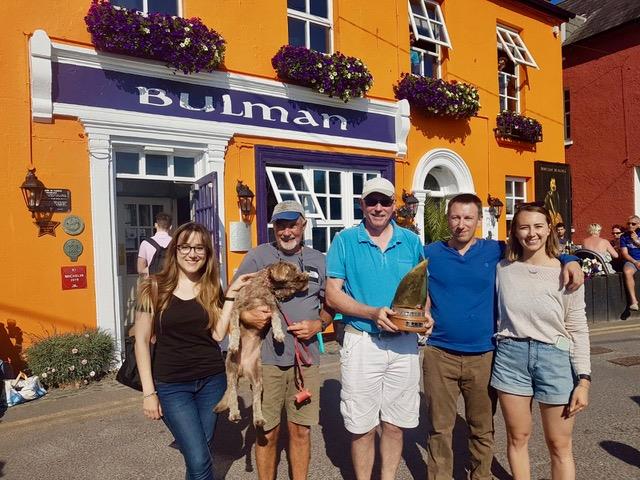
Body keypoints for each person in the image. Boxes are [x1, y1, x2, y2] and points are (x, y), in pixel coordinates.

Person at [422, 194, 583, 480]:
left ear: (479, 221)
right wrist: (422, 309)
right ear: (448, 219)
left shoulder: (495, 252)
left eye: (468, 217)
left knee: (483, 429)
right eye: (456, 217)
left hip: (485, 353)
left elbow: (537, 249)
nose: (461, 224)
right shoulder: (430, 253)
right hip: (440, 352)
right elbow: (411, 282)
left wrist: (570, 259)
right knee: (440, 428)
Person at [325, 177, 431, 480]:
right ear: (362, 205)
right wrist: (371, 313)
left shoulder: (411, 240)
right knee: (362, 426)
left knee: (396, 424)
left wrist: (426, 314)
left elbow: (421, 286)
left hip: (403, 344)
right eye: (372, 201)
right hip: (362, 342)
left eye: (385, 201)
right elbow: (333, 293)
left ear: (394, 205)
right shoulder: (345, 240)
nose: (378, 207)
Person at [134, 221, 254, 480]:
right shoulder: (153, 287)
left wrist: (231, 293)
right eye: (185, 246)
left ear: (207, 253)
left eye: (199, 248)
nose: (192, 253)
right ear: (174, 250)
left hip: (211, 381)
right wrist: (148, 393)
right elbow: (141, 342)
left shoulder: (212, 288)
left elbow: (218, 334)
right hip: (172, 385)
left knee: (198, 455)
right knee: (200, 458)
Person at [234, 200, 332, 480]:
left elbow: (331, 303)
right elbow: (234, 297)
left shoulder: (319, 260)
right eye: (281, 226)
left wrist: (319, 324)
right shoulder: (257, 256)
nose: (287, 232)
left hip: (306, 359)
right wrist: (247, 316)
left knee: (301, 430)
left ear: (303, 225)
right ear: (273, 228)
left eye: (292, 225)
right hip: (266, 360)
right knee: (267, 430)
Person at [491, 204, 591, 480]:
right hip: (511, 356)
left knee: (559, 444)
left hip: (555, 358)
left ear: (549, 229)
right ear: (514, 231)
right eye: (524, 227)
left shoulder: (567, 271)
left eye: (538, 226)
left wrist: (583, 380)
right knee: (517, 437)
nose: (531, 233)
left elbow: (578, 329)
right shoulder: (502, 269)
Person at [620, 215, 640, 311]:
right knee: (627, 271)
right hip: (632, 260)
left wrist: (636, 241)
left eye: (633, 224)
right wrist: (635, 262)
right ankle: (633, 301)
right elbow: (624, 253)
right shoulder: (624, 236)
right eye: (628, 223)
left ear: (638, 225)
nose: (630, 225)